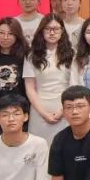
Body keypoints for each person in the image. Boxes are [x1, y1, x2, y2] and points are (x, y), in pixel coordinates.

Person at [23, 14, 73, 148]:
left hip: (65, 107)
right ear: (41, 31)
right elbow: (30, 88)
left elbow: (73, 84)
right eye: (48, 29)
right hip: (40, 108)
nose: (52, 32)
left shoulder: (72, 54)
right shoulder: (31, 55)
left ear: (62, 31)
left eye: (56, 29)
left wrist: (63, 110)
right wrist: (43, 113)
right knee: (39, 149)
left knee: (64, 147)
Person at [0, 17, 29, 139]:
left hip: (20, 112)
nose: (5, 37)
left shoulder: (26, 57)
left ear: (17, 36)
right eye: (1, 33)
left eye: (10, 34)